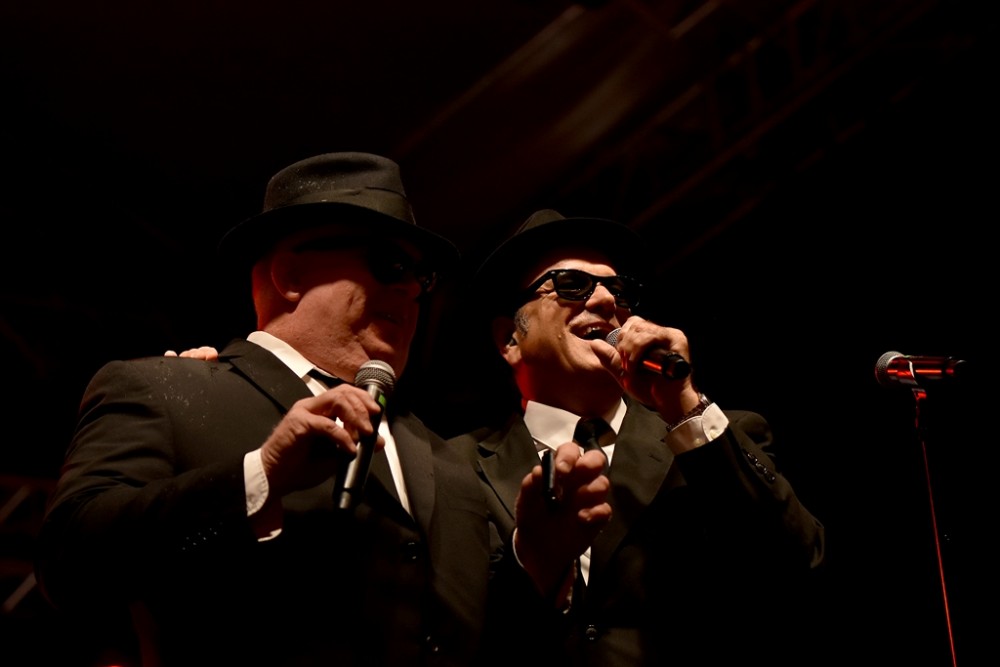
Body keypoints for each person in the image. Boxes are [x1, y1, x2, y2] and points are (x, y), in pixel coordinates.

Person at [33, 155, 611, 667]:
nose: (412, 289)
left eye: (422, 276)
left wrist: (538, 564)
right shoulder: (168, 390)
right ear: (289, 275)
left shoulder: (445, 461)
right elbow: (69, 564)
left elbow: (484, 647)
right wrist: (260, 475)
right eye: (389, 264)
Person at [449, 209, 827, 666]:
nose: (607, 300)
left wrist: (683, 403)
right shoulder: (453, 467)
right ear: (510, 339)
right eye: (572, 285)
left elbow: (797, 563)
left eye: (620, 289)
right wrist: (535, 562)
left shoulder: (711, 435)